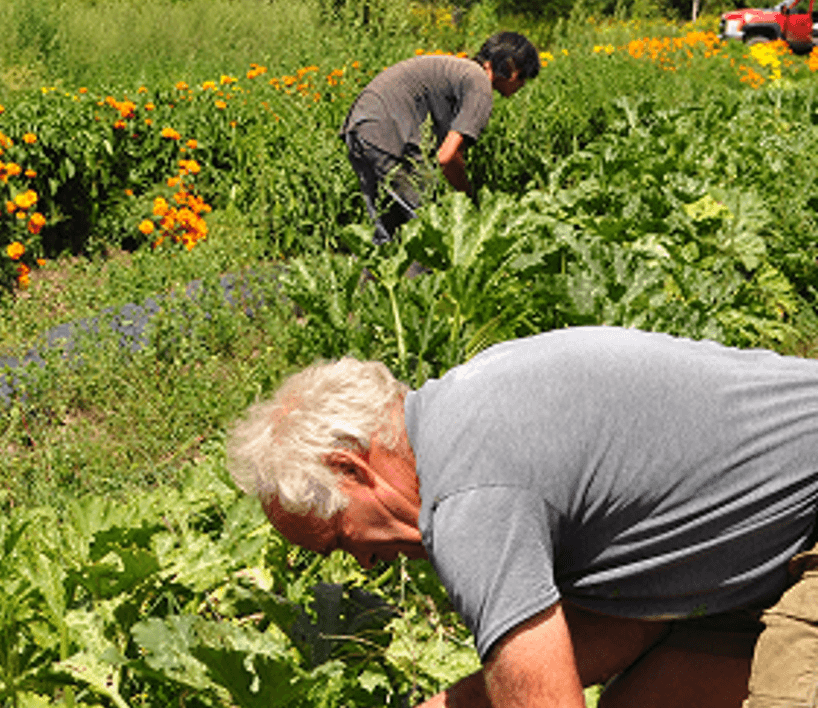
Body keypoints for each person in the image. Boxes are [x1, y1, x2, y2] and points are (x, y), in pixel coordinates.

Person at [227, 326, 818, 708]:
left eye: (338, 539)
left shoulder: (470, 502)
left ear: (351, 470)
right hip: (750, 561)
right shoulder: (466, 410)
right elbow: (624, 626)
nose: (362, 563)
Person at [340, 31, 539, 245]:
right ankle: (420, 278)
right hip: (390, 135)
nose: (522, 86)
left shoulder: (458, 70)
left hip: (360, 128)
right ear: (510, 67)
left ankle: (376, 277)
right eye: (522, 78)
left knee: (388, 234)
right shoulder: (479, 84)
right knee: (430, 232)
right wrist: (467, 198)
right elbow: (447, 156)